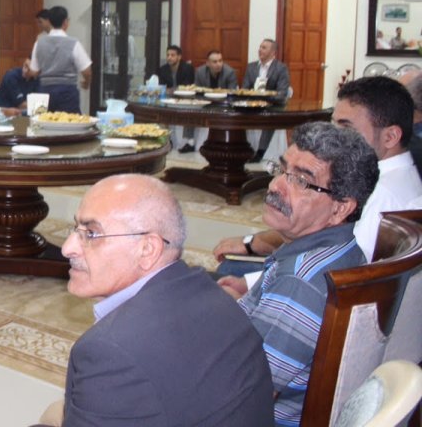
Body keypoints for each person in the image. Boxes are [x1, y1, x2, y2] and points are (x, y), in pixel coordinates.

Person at [39, 174, 273, 427]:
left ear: (147, 249)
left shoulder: (109, 351)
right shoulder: (215, 294)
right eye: (76, 229)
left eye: (91, 234)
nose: (67, 248)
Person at [233, 122, 377, 426]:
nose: (275, 186)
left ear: (340, 209)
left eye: (301, 181)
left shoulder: (300, 282)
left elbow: (244, 395)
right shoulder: (345, 250)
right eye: (281, 169)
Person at [214, 76, 422, 280]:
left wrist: (249, 284)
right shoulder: (399, 176)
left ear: (390, 137)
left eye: (346, 128)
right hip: (306, 268)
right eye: (333, 124)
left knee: (228, 269)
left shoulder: (380, 192)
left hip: (311, 283)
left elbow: (343, 274)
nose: (333, 135)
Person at [28, 6, 92, 114]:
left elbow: (33, 72)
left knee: (43, 122)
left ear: (49, 21)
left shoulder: (39, 43)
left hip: (44, 91)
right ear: (65, 22)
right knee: (69, 122)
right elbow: (86, 70)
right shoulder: (73, 43)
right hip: (67, 92)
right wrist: (86, 82)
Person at [243, 38, 291, 162]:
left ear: (273, 52)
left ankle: (260, 152)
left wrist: (264, 97)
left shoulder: (281, 68)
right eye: (260, 47)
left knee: (269, 117)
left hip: (273, 104)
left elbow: (282, 93)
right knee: (238, 113)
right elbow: (245, 89)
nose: (260, 50)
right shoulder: (251, 67)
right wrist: (253, 98)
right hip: (253, 104)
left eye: (264, 48)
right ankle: (244, 149)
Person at [159, 45, 198, 151]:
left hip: (186, 98)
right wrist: (171, 90)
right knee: (161, 110)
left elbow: (187, 86)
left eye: (172, 55)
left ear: (179, 57)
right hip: (169, 99)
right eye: (168, 55)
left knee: (189, 110)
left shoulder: (187, 68)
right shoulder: (163, 69)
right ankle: (168, 140)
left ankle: (188, 142)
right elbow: (162, 87)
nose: (169, 58)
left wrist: (172, 90)